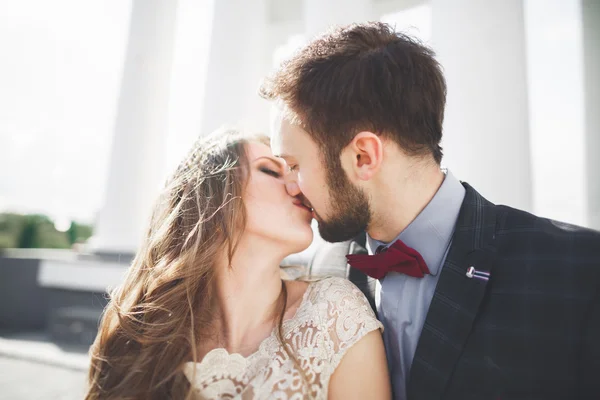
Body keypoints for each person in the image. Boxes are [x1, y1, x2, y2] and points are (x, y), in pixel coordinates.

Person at [260, 21, 600, 400]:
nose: (290, 185)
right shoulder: (315, 280)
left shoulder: (582, 272)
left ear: (363, 156)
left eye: (294, 165)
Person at [85, 129, 391, 400]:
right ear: (209, 197)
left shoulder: (335, 314)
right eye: (271, 171)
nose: (298, 186)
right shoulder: (137, 331)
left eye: (295, 169)